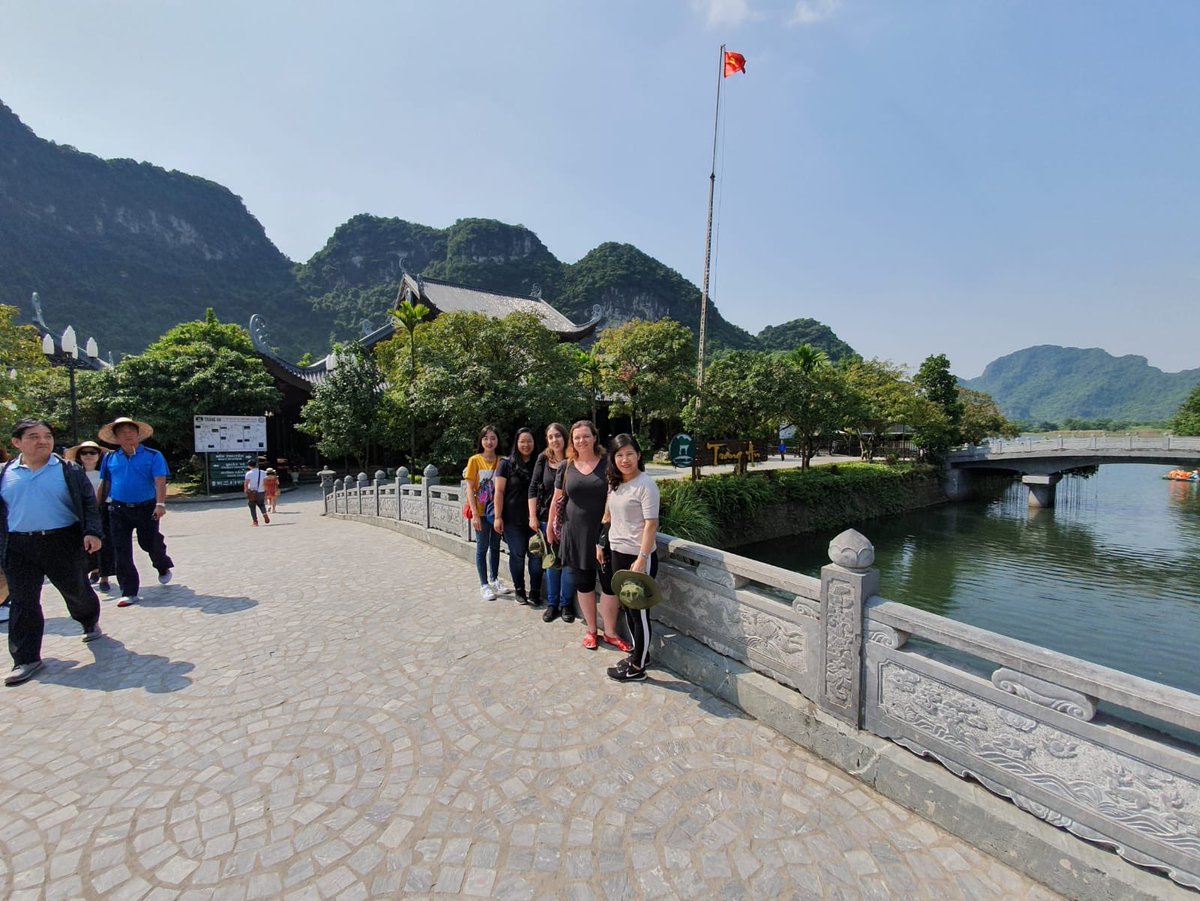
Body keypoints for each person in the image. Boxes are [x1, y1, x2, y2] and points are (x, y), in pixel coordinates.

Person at [1, 419, 103, 686]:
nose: (43, 441)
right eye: (33, 436)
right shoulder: (5, 472)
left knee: (76, 590)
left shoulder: (69, 470)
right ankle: (26, 658)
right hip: (18, 546)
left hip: (62, 542)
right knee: (23, 602)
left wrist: (92, 532)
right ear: (17, 442)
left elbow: (88, 504)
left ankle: (88, 620)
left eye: (47, 435)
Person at [547, 420, 630, 653]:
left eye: (585, 436)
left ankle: (611, 632)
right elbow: (557, 498)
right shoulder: (566, 466)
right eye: (576, 437)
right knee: (583, 583)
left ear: (595, 437)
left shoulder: (607, 464)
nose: (581, 441)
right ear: (572, 441)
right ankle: (591, 630)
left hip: (605, 532)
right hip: (575, 532)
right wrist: (550, 527)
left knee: (609, 584)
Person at [96, 416, 174, 608]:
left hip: (146, 507)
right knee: (121, 549)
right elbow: (105, 483)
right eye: (122, 433)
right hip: (118, 508)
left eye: (131, 432)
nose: (127, 435)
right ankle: (129, 591)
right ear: (116, 437)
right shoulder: (110, 458)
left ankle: (162, 565)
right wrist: (96, 508)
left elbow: (159, 480)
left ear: (138, 435)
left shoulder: (153, 455)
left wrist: (160, 504)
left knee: (149, 542)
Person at [601, 434, 660, 682]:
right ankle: (640, 655)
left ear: (638, 455)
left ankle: (637, 668)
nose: (624, 459)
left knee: (639, 613)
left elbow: (651, 525)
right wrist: (600, 543)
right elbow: (607, 516)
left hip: (638, 558)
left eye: (629, 454)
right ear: (613, 459)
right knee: (628, 607)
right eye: (619, 455)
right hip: (617, 553)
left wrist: (642, 558)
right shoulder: (615, 483)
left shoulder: (646, 485)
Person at [529, 423, 575, 623]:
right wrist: (532, 516)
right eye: (550, 437)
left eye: (558, 436)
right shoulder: (543, 458)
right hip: (546, 519)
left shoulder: (574, 459)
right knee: (551, 563)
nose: (554, 440)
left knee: (568, 565)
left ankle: (566, 604)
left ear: (565, 437)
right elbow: (532, 488)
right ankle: (552, 603)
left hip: (570, 521)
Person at [493, 428, 541, 606]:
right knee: (518, 555)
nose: (526, 445)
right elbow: (499, 491)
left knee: (536, 556)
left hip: (535, 518)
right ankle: (520, 590)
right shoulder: (506, 464)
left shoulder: (539, 462)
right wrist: (498, 517)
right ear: (516, 443)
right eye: (522, 441)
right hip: (513, 519)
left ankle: (535, 591)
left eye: (529, 441)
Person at [463, 425, 510, 601]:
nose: (489, 442)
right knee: (482, 547)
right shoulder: (474, 460)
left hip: (496, 511)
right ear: (481, 441)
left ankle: (495, 579)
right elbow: (469, 488)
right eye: (486, 438)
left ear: (498, 440)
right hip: (481, 512)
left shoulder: (503, 460)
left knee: (496, 546)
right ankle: (484, 584)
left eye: (493, 438)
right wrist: (475, 514)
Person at [66, 440, 115, 591]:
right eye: (84, 452)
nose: (88, 456)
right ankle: (94, 570)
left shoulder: (105, 473)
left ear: (98, 455)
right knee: (84, 545)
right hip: (82, 514)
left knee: (106, 545)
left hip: (103, 511)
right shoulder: (73, 474)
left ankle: (104, 577)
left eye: (92, 452)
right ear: (79, 456)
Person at [244, 459, 270, 526]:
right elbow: (265, 483)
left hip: (252, 492)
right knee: (261, 504)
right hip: (261, 491)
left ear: (249, 466)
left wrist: (246, 490)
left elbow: (246, 483)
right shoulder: (263, 472)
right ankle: (265, 514)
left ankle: (255, 521)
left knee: (252, 506)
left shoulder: (249, 473)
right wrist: (266, 491)